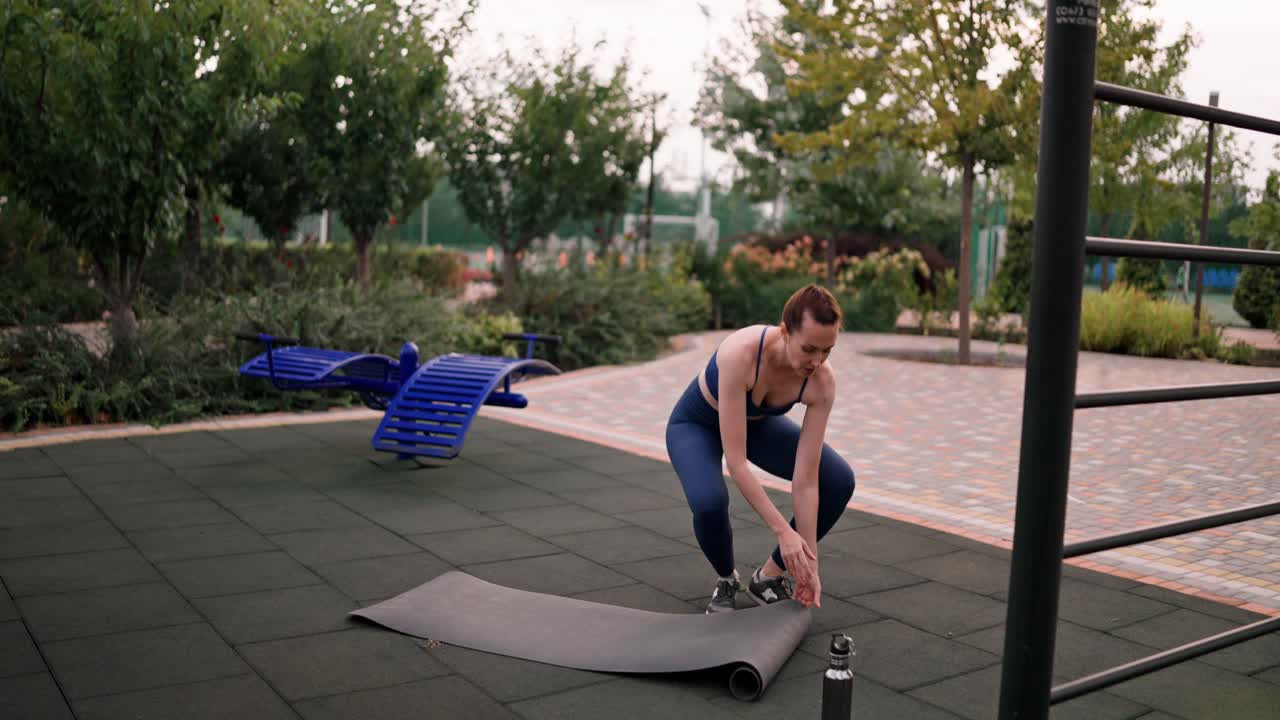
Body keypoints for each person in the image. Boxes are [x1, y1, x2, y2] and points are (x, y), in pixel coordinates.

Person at [665, 284, 856, 614]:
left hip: (756, 426)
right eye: (809, 348)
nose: (818, 360)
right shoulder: (740, 353)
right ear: (785, 332)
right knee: (709, 502)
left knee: (838, 480)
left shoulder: (822, 383)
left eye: (827, 351)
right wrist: (784, 531)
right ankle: (727, 580)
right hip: (696, 425)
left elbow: (806, 480)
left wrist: (809, 563)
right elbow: (736, 464)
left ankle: (768, 577)